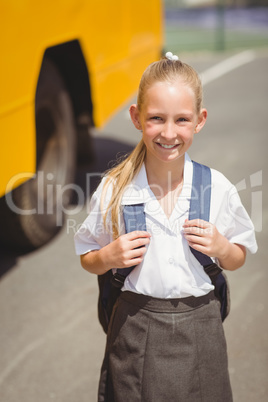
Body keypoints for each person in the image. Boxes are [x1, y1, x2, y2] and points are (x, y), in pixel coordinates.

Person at [74, 52, 258, 402]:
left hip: (202, 329)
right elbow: (87, 255)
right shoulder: (115, 189)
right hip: (135, 330)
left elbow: (237, 258)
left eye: (182, 120)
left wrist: (220, 247)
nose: (169, 133)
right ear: (136, 117)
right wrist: (109, 256)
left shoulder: (215, 187)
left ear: (200, 120)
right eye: (156, 118)